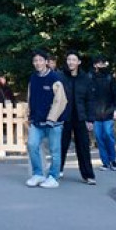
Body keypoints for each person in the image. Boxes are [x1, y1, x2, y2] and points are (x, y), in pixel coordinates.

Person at [26, 49, 68, 189]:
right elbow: (30, 97)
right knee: (32, 145)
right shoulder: (33, 78)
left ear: (46, 62)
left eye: (40, 60)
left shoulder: (55, 78)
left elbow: (60, 100)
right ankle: (38, 173)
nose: (37, 63)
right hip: (37, 121)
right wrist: (30, 115)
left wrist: (51, 119)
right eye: (35, 61)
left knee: (55, 150)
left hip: (54, 123)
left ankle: (53, 177)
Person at [59, 51, 97, 185]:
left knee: (83, 146)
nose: (71, 62)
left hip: (81, 117)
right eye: (69, 59)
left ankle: (88, 175)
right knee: (61, 145)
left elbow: (90, 100)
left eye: (73, 60)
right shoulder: (60, 76)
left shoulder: (85, 78)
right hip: (64, 116)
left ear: (79, 62)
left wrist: (90, 119)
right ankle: (57, 170)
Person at [88, 54, 116, 170]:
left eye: (103, 63)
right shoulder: (89, 78)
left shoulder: (110, 78)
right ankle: (105, 162)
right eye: (99, 63)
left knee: (108, 135)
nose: (101, 65)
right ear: (95, 65)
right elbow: (87, 97)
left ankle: (113, 160)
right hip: (95, 114)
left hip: (108, 112)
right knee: (99, 138)